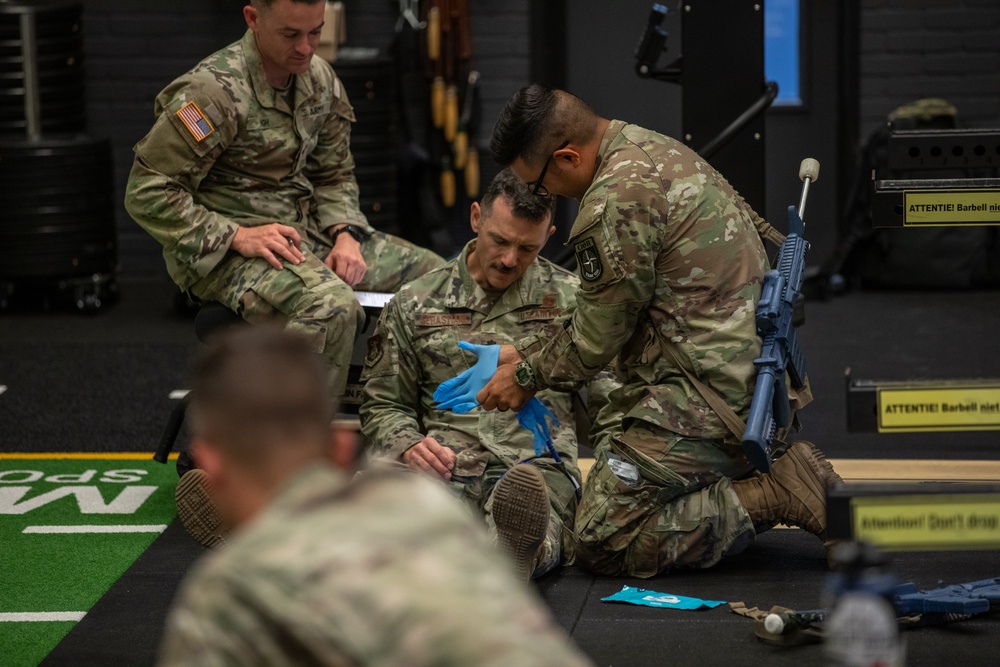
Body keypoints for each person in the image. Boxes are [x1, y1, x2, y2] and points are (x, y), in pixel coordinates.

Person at [463, 84, 841, 577]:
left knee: (600, 538)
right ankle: (741, 473)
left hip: (709, 397)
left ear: (567, 157)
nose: (544, 196)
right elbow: (615, 309)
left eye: (539, 185)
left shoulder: (616, 200)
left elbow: (597, 339)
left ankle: (773, 492)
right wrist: (529, 353)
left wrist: (527, 374)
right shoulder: (652, 149)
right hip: (740, 374)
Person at [157, 325, 595, 667]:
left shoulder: (223, 593)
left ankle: (257, 533)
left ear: (210, 469)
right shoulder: (425, 507)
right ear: (341, 450)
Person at [124, 0, 444, 401]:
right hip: (226, 252)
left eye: (316, 32)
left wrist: (345, 233)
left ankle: (405, 417)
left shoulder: (320, 80)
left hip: (304, 231)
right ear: (253, 18)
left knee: (438, 279)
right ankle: (287, 447)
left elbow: (334, 174)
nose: (307, 48)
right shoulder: (211, 93)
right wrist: (237, 236)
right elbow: (147, 191)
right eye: (291, 34)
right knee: (332, 308)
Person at [360, 169, 622, 580]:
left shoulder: (575, 304)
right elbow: (383, 403)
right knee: (375, 510)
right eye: (500, 240)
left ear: (549, 235)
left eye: (527, 248)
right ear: (476, 217)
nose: (508, 260)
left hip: (535, 467)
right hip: (442, 461)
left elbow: (612, 404)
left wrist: (613, 481)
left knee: (537, 522)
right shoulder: (415, 303)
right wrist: (408, 444)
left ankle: (509, 556)